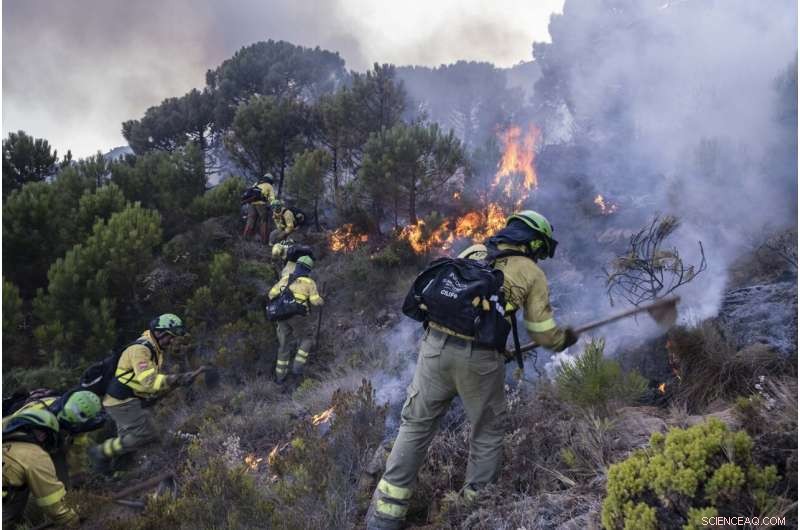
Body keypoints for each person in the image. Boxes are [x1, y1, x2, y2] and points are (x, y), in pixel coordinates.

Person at [367, 210, 578, 530]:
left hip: (434, 349)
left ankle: (384, 516)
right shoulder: (531, 272)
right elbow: (542, 332)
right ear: (535, 242)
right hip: (479, 361)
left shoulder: (474, 252)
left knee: (415, 426)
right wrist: (563, 340)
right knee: (487, 433)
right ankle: (473, 512)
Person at [87, 314, 195, 472]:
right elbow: (149, 381)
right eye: (170, 337)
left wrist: (174, 383)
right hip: (122, 401)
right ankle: (99, 452)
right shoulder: (141, 350)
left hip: (127, 399)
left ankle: (117, 474)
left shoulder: (154, 349)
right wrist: (176, 379)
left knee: (127, 445)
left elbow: (145, 383)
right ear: (159, 333)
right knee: (145, 434)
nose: (172, 341)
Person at [5, 390, 105, 488]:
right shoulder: (36, 411)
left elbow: (77, 449)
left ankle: (66, 496)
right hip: (17, 440)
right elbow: (9, 429)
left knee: (62, 485)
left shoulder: (80, 425)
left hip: (51, 442)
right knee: (21, 477)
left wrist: (77, 472)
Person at [3, 409, 81, 527]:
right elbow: (53, 504)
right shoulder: (34, 455)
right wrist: (74, 521)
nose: (44, 438)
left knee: (18, 485)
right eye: (44, 433)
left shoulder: (6, 448)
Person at [267, 256, 324, 382]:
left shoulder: (285, 279)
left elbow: (271, 294)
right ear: (308, 270)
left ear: (297, 266)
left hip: (281, 316)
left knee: (284, 346)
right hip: (298, 316)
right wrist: (321, 300)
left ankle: (280, 378)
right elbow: (315, 301)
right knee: (307, 339)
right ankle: (297, 369)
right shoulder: (309, 282)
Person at [243, 173, 276, 243]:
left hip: (252, 204)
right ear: (270, 180)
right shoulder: (269, 186)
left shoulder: (256, 184)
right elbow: (272, 198)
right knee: (264, 222)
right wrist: (271, 206)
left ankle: (245, 238)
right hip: (261, 204)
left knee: (250, 221)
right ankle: (264, 241)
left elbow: (250, 193)